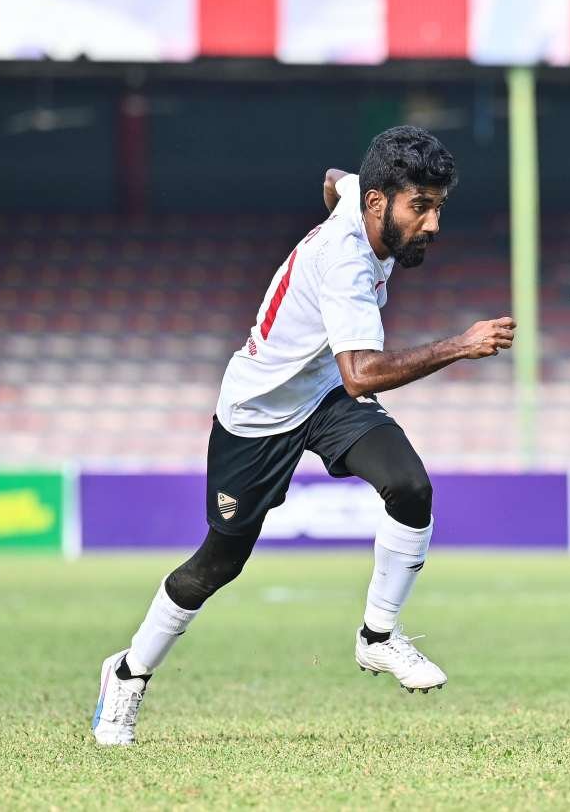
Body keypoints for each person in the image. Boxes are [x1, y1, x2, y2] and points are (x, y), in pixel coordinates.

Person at [91, 126, 517, 746]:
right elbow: (363, 372)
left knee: (410, 487)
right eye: (421, 207)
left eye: (438, 206)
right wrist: (461, 344)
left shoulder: (360, 197)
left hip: (324, 394)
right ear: (379, 204)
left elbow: (333, 179)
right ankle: (128, 673)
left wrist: (346, 196)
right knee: (218, 563)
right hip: (258, 412)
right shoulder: (345, 262)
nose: (433, 224)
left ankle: (377, 636)